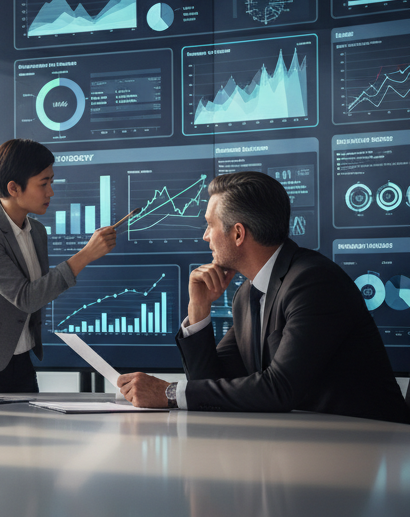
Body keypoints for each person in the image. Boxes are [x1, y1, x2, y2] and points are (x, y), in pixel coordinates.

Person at [117, 171, 409, 423]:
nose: (205, 236)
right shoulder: (248, 295)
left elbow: (280, 389)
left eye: (210, 225)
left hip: (369, 451)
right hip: (305, 447)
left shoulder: (313, 282)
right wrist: (199, 308)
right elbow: (211, 385)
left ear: (238, 234)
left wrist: (169, 393)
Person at [0, 139, 118, 394]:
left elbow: (39, 290)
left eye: (51, 181)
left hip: (20, 357)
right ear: (13, 188)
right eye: (43, 183)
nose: (50, 192)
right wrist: (85, 255)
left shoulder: (37, 231)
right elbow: (25, 298)